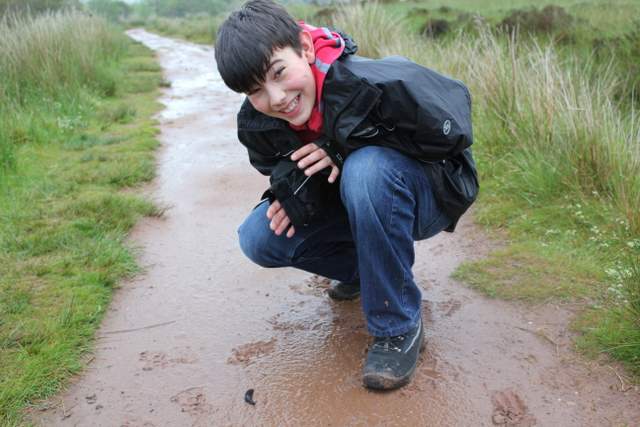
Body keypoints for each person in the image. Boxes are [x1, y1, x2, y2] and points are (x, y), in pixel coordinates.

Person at [214, 0, 478, 390]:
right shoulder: (257, 124)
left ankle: (398, 327)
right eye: (256, 90)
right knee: (258, 237)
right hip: (358, 198)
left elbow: (453, 126)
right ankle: (366, 271)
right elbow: (281, 169)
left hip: (431, 194)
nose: (277, 98)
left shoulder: (367, 81)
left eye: (279, 73)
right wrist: (294, 193)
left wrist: (342, 146)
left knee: (367, 168)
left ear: (305, 47)